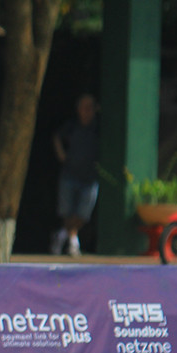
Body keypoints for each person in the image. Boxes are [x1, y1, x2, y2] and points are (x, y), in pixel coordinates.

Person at [51, 93, 99, 257]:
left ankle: (63, 235)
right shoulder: (71, 126)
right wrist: (61, 154)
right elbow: (57, 137)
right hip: (69, 175)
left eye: (91, 107)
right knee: (67, 212)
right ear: (78, 109)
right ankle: (73, 241)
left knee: (83, 214)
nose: (88, 111)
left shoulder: (98, 127)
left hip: (90, 178)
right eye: (84, 107)